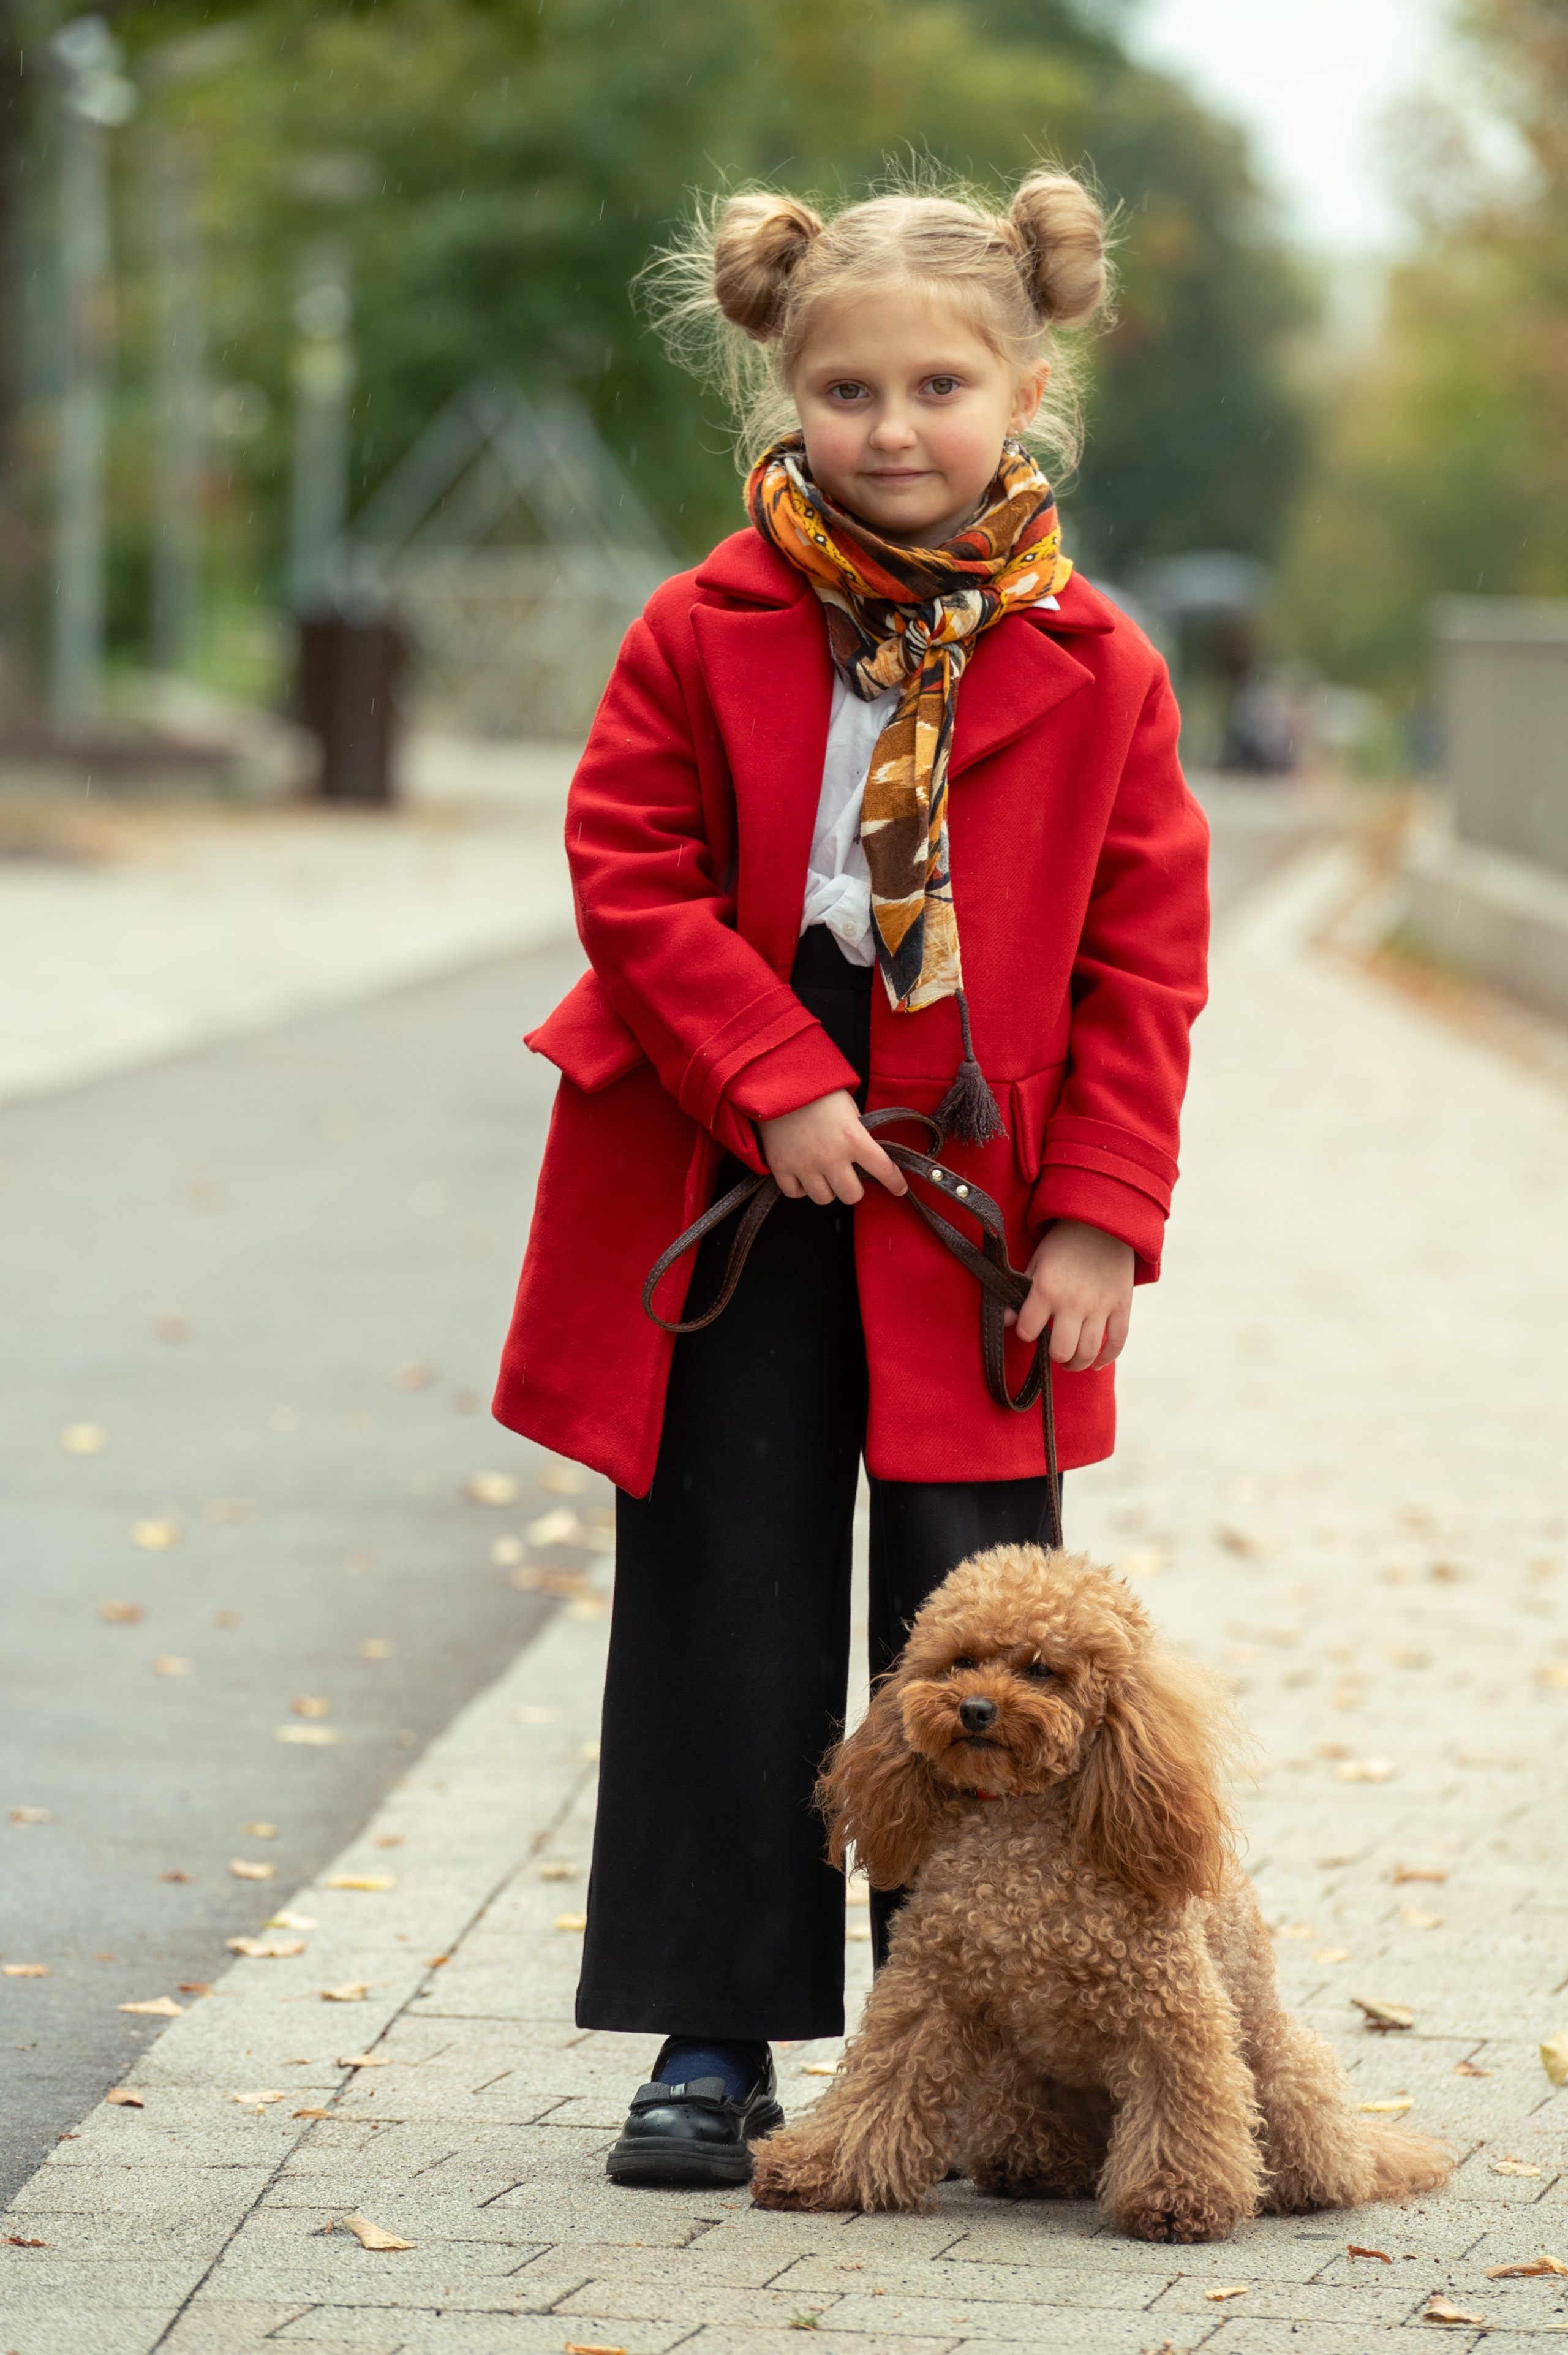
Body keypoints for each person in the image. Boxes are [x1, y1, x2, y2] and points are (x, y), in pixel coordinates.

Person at [492, 170, 1210, 2188]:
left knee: (977, 1631)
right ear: (784, 387)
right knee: (725, 1590)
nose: (893, 428)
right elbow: (627, 870)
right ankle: (711, 2035)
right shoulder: (698, 624)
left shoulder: (1099, 657)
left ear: (1026, 384)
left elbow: (1152, 955)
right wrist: (774, 1077)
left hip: (985, 1194)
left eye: (938, 385)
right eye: (847, 388)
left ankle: (974, 2043)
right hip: (745, 1161)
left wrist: (1099, 1216)